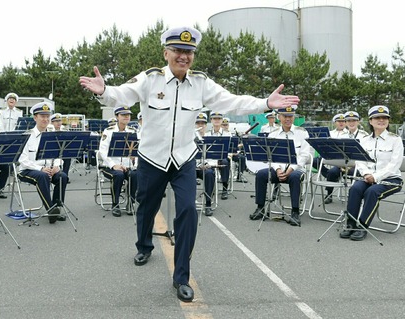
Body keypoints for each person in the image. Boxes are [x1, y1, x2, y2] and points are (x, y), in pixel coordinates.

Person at [79, 26, 300, 302]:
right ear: (166, 53)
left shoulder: (201, 83)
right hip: (151, 158)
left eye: (189, 52)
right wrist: (104, 92)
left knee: (188, 211)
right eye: (178, 51)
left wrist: (266, 103)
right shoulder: (151, 79)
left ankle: (181, 276)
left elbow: (233, 101)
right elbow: (122, 94)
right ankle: (144, 245)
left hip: (183, 158)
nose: (183, 57)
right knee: (146, 206)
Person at [340, 105, 403, 241]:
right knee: (355, 188)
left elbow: (394, 165)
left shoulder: (395, 140)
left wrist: (375, 177)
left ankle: (362, 226)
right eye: (377, 118)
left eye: (384, 118)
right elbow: (360, 161)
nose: (381, 120)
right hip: (367, 177)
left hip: (391, 179)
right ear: (370, 121)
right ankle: (350, 224)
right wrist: (366, 174)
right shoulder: (365, 140)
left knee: (372, 192)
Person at [249, 105, 311, 226]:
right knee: (261, 175)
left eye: (290, 116)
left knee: (294, 177)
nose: (288, 119)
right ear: (279, 117)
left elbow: (304, 156)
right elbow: (271, 156)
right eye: (285, 116)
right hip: (278, 169)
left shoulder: (302, 133)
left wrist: (291, 169)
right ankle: (261, 208)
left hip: (295, 169)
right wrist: (277, 169)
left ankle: (295, 212)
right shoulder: (273, 134)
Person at [18, 102, 68, 223]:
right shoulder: (27, 135)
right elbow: (23, 160)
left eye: (47, 116)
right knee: (43, 176)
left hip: (48, 169)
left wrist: (57, 165)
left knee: (62, 176)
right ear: (35, 118)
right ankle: (50, 209)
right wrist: (40, 169)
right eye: (42, 116)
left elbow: (59, 154)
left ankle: (57, 207)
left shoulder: (53, 135)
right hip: (28, 170)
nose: (46, 119)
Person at [98, 106, 138, 217]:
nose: (126, 117)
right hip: (110, 167)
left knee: (135, 174)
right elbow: (103, 151)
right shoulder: (109, 131)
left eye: (128, 115)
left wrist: (134, 162)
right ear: (117, 116)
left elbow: (137, 150)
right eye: (123, 115)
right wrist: (114, 165)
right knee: (119, 175)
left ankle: (131, 203)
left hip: (127, 166)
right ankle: (115, 204)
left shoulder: (133, 131)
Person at [311, 113, 349, 204]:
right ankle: (330, 176)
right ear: (335, 122)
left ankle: (329, 194)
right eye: (339, 121)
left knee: (332, 172)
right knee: (314, 161)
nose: (341, 123)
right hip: (329, 157)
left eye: (343, 121)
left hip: (342, 161)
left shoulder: (349, 134)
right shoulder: (330, 133)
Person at [205, 111, 231, 200]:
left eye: (219, 119)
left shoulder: (227, 134)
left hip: (222, 157)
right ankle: (210, 191)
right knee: (208, 170)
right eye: (214, 119)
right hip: (210, 158)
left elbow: (230, 149)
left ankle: (224, 188)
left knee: (225, 161)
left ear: (222, 120)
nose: (216, 120)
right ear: (211, 120)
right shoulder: (207, 134)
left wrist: (229, 155)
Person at [195, 113, 215, 216]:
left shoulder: (210, 139)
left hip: (206, 167)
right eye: (198, 123)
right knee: (186, 174)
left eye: (203, 123)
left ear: (206, 125)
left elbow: (216, 156)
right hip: (192, 167)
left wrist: (208, 164)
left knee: (209, 174)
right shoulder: (190, 139)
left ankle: (208, 204)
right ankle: (188, 203)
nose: (200, 126)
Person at [49, 113, 72, 177]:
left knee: (68, 156)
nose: (58, 123)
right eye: (56, 121)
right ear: (52, 122)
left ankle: (65, 175)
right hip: (52, 149)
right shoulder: (49, 130)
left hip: (62, 149)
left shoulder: (64, 129)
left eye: (59, 121)